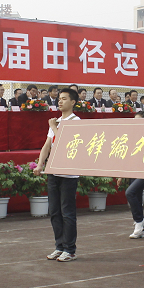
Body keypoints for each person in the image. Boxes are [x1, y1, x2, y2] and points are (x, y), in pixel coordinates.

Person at [34, 88, 82, 261]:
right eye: (59, 99)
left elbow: (65, 143)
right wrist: (40, 164)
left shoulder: (76, 121)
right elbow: (47, 145)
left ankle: (70, 249)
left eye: (64, 99)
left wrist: (54, 127)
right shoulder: (57, 121)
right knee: (54, 211)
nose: (60, 101)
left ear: (73, 102)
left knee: (67, 212)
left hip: (68, 173)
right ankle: (59, 246)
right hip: (53, 170)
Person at [126, 110, 144, 238]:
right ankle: (141, 229)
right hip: (134, 170)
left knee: (130, 193)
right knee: (136, 197)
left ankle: (139, 221)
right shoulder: (133, 135)